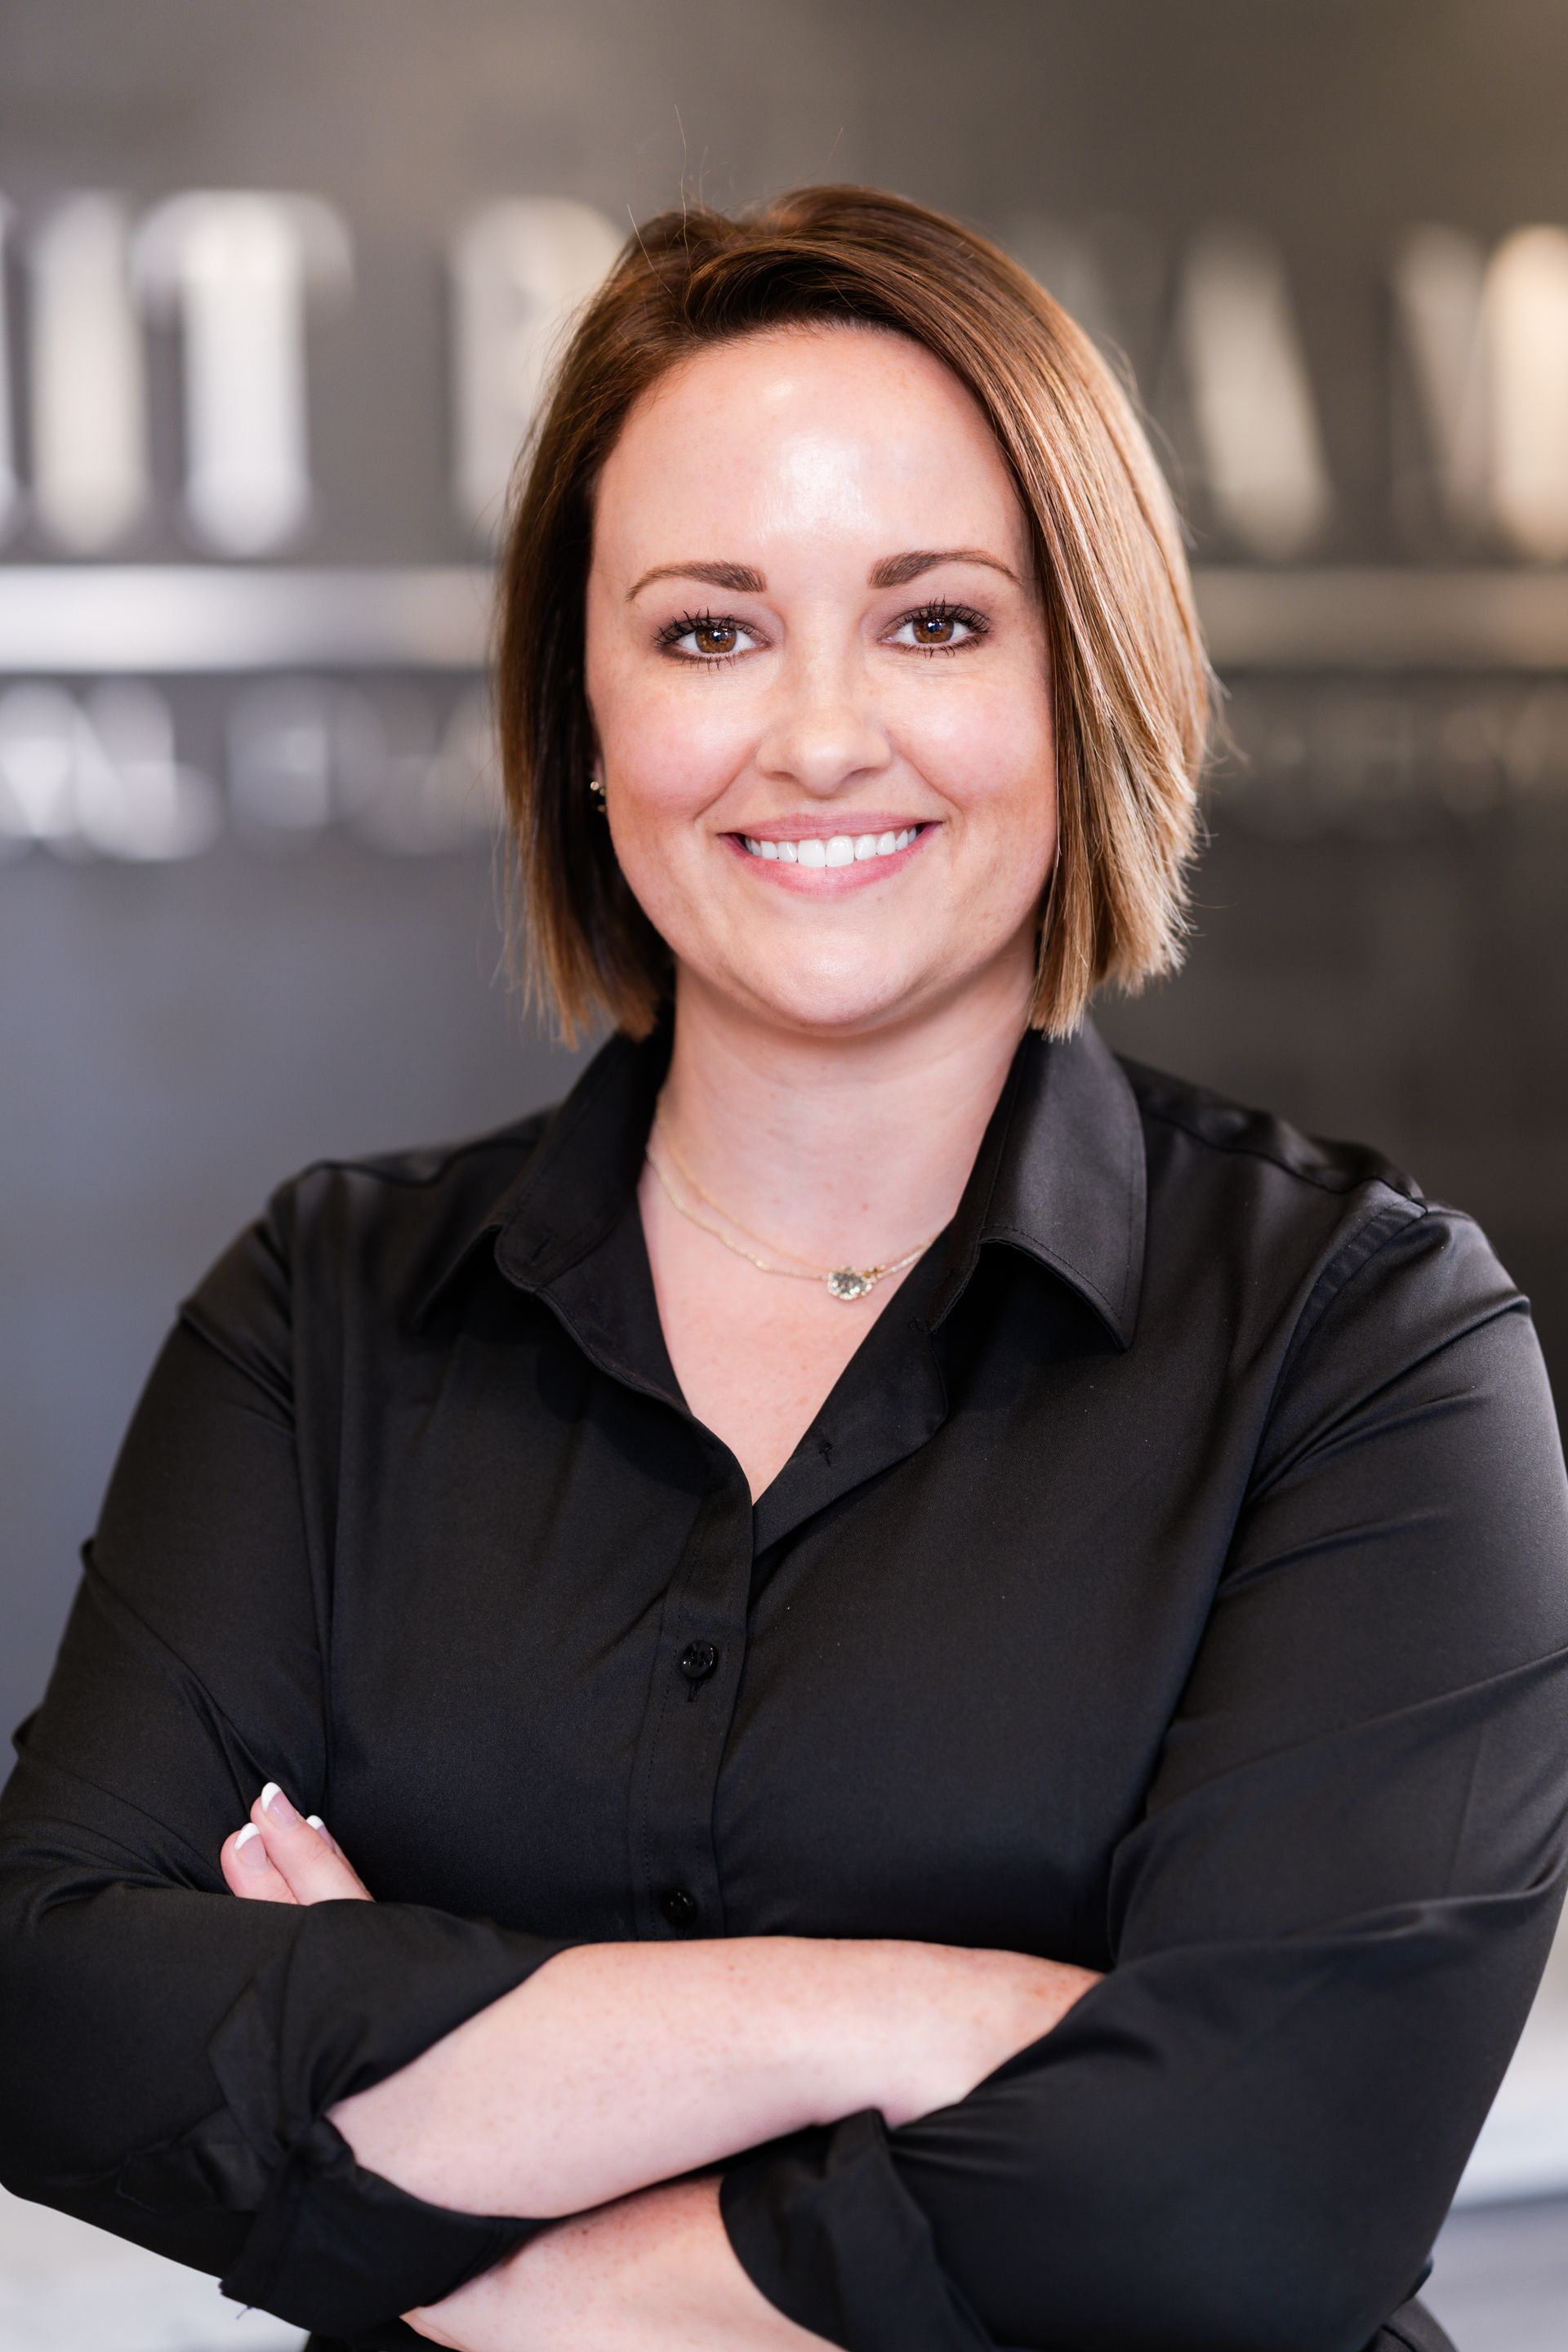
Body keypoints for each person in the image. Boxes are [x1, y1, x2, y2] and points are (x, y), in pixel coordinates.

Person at [1, 185, 1565, 2352]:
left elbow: (1234, 2208)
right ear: (583, 712)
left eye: (933, 620)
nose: (819, 735)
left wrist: (500, 2259)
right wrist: (900, 2020)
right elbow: (62, 2008)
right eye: (708, 629)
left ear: (1079, 673)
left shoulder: (1368, 1349)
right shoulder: (329, 1314)